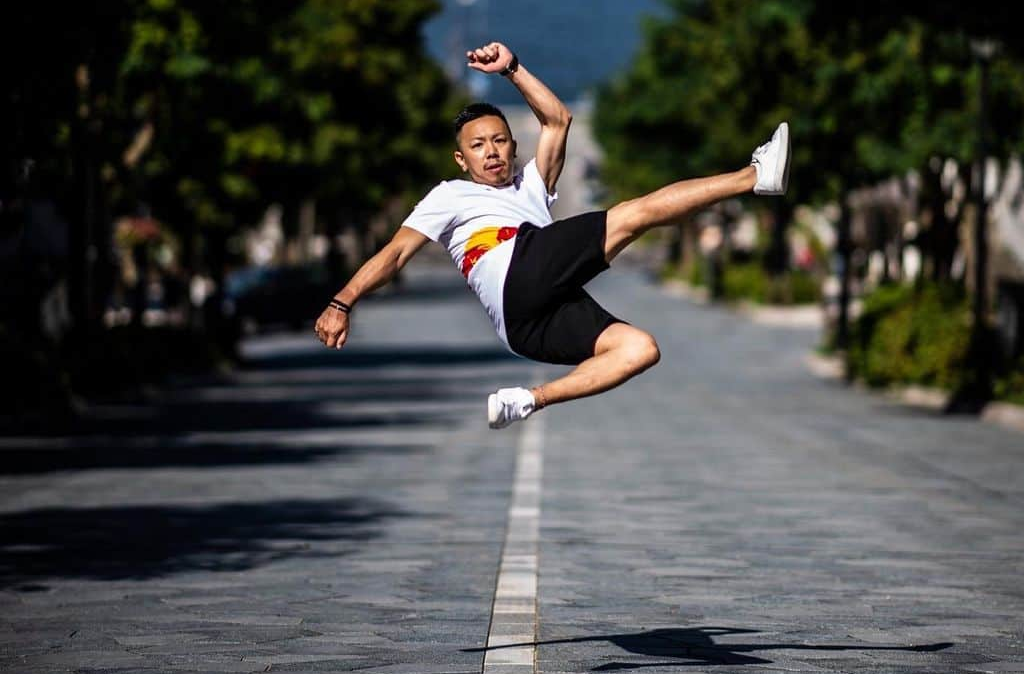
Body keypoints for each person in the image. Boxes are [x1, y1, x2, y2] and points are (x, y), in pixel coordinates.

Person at [314, 41, 790, 428]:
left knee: (638, 349)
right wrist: (342, 301)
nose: (492, 152)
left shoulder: (532, 186)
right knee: (630, 215)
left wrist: (512, 69)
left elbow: (558, 119)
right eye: (478, 146)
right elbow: (396, 254)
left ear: (514, 145)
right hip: (514, 273)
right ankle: (754, 177)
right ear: (461, 160)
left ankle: (526, 400)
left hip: (523, 329)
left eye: (500, 141)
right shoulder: (447, 196)